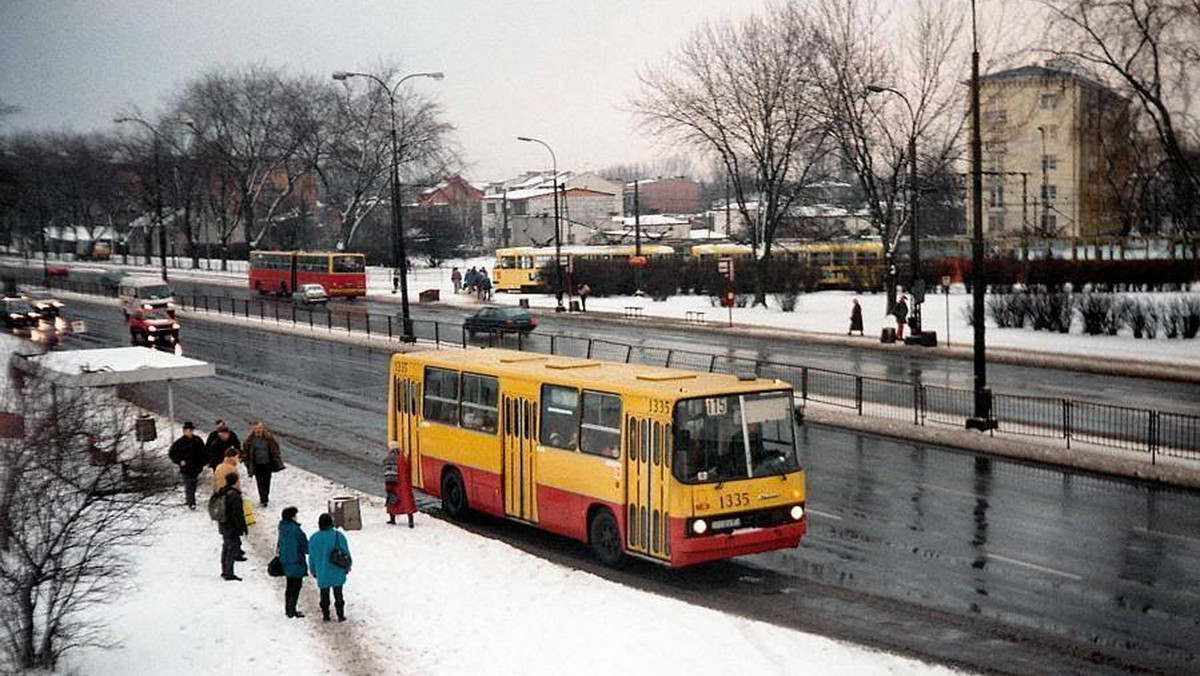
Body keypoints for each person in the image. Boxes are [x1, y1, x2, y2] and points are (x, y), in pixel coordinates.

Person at [309, 513, 351, 622]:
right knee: (338, 593)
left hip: (322, 571)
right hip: (337, 569)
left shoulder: (314, 538)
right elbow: (346, 552)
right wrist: (347, 566)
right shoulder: (338, 536)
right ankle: (340, 615)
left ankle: (326, 615)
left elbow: (312, 557)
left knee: (324, 594)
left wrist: (313, 570)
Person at [242, 421, 285, 507]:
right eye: (256, 428)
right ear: (253, 429)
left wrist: (276, 456)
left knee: (267, 481)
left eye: (260, 428)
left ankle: (265, 497)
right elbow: (245, 452)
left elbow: (275, 447)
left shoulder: (269, 438)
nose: (258, 430)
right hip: (257, 465)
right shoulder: (250, 440)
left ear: (262, 429)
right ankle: (263, 498)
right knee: (260, 482)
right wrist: (247, 463)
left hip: (267, 463)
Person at [277, 506, 309, 618]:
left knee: (289, 586)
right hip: (296, 562)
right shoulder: (296, 530)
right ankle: (291, 610)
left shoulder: (282, 528)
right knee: (296, 587)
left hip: (285, 561)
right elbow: (305, 546)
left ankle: (288, 608)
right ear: (292, 517)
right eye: (295, 515)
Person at [168, 422, 207, 509]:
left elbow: (204, 452)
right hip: (186, 468)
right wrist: (179, 461)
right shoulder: (180, 442)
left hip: (196, 467)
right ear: (184, 431)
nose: (188, 432)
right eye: (186, 431)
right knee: (188, 484)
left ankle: (189, 499)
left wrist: (204, 462)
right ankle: (191, 503)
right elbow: (172, 453)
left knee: (193, 484)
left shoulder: (197, 440)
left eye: (190, 430)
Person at [217, 472, 247, 581]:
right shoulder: (234, 495)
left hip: (223, 524)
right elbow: (237, 514)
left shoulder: (222, 491)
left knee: (226, 547)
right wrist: (242, 528)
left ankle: (225, 570)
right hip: (231, 526)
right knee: (232, 548)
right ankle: (229, 573)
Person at [384, 442, 417, 528]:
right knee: (407, 502)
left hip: (394, 484)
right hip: (404, 484)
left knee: (392, 500)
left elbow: (388, 473)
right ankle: (410, 521)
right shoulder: (402, 458)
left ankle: (392, 519)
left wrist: (388, 485)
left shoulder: (389, 459)